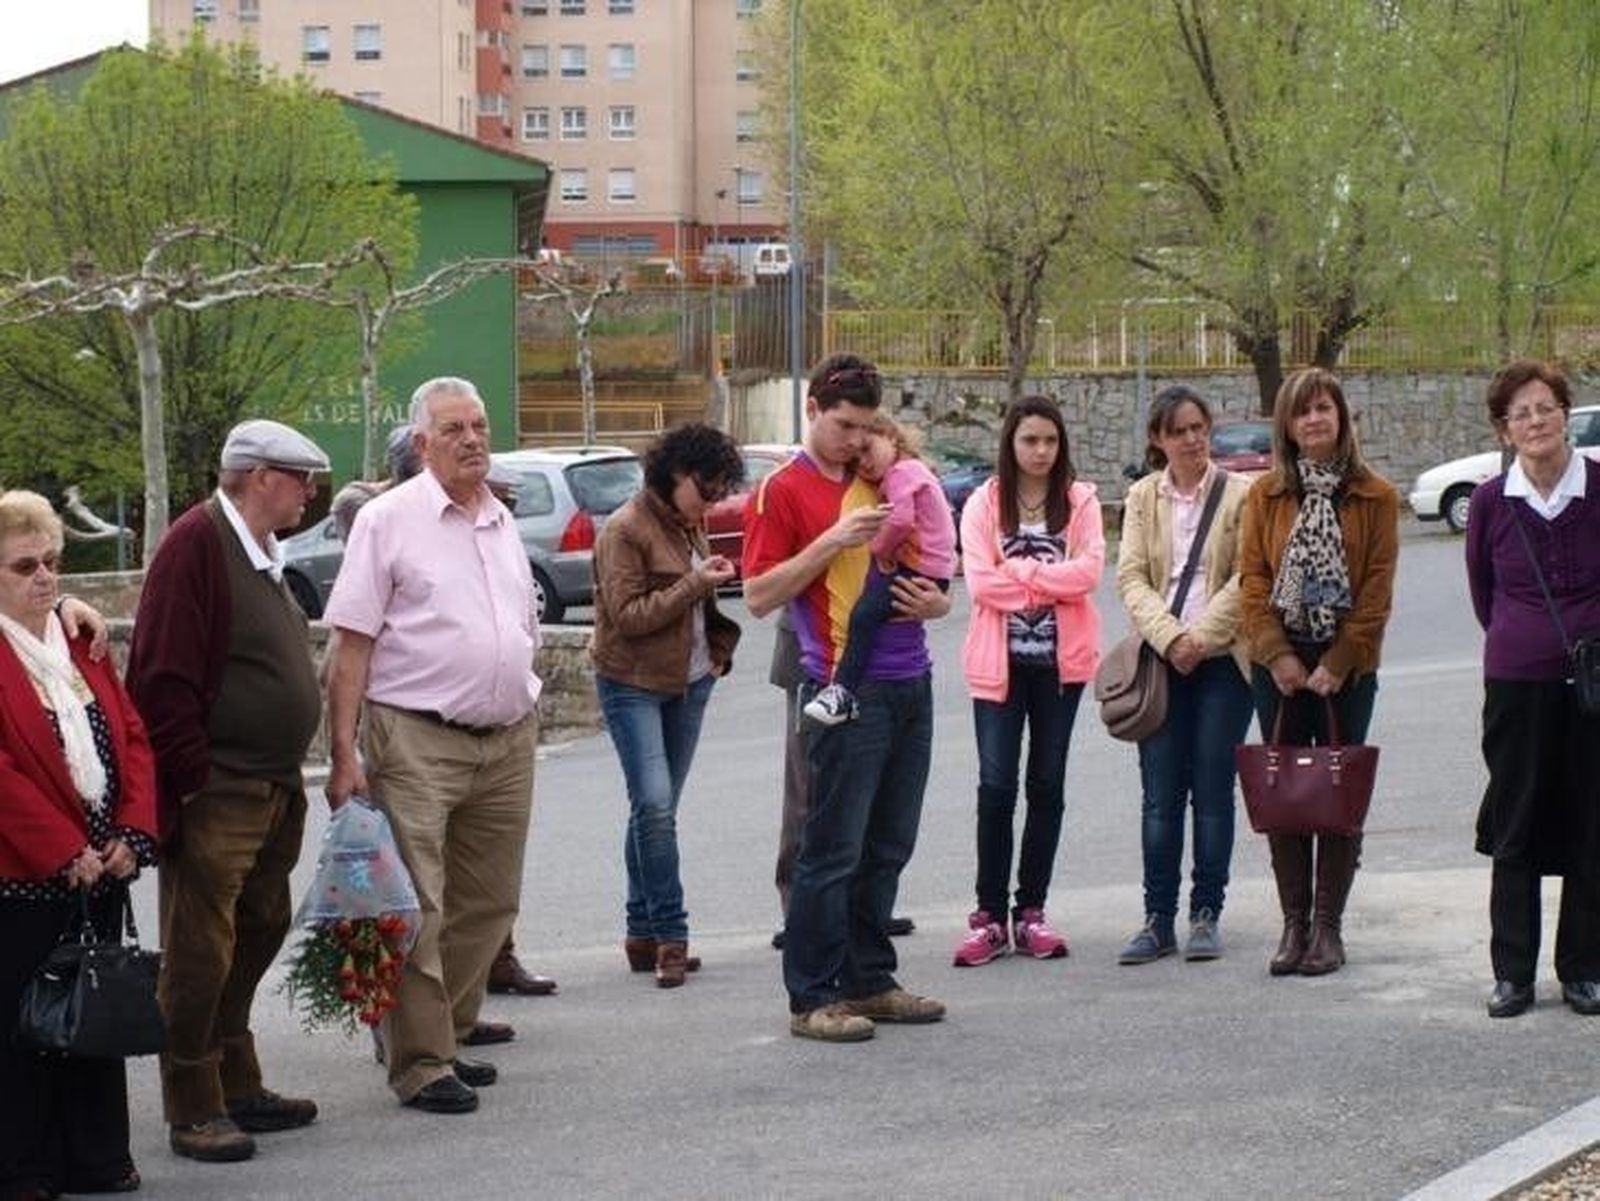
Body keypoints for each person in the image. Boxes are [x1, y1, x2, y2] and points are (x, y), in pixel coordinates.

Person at [324, 377, 541, 1115]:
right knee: (417, 904)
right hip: (415, 734)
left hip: (506, 737)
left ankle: (445, 1030)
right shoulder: (386, 521)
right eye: (453, 429)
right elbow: (350, 645)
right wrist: (344, 752)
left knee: (490, 901)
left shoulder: (499, 518)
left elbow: (519, 623)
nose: (472, 439)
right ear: (421, 444)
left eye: (479, 425)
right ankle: (420, 1062)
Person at [125, 420, 329, 1164]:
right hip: (220, 788)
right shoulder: (197, 545)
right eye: (299, 478)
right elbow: (160, 678)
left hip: (270, 783)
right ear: (259, 477)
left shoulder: (263, 551)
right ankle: (193, 1103)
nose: (310, 492)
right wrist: (193, 782)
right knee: (199, 951)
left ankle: (237, 1078)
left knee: (261, 926)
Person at [743, 352, 951, 1043]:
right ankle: (813, 994)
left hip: (911, 678)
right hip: (842, 686)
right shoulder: (782, 490)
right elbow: (758, 594)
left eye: (866, 427)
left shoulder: (882, 472)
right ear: (811, 410)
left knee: (888, 843)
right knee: (830, 849)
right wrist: (830, 542)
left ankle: (870, 978)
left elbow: (929, 558)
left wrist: (938, 602)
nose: (856, 441)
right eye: (843, 426)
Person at [0, 491, 156, 1199]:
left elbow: (132, 736)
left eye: (52, 562)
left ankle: (97, 1155)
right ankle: (22, 1165)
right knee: (23, 1024)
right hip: (25, 873)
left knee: (95, 1011)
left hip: (101, 868)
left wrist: (133, 832)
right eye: (24, 565)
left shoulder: (80, 643)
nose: (44, 576)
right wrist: (64, 849)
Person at [1238, 367, 1398, 977]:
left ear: (1341, 417)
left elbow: (1377, 591)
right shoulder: (1265, 495)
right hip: (1276, 665)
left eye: (1323, 408)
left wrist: (1338, 661)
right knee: (1283, 788)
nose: (1313, 419)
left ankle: (1328, 927)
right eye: (1302, 411)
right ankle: (1293, 925)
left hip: (1346, 668)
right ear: (1287, 424)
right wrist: (1277, 654)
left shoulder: (1376, 496)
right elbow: (1252, 581)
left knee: (1337, 788)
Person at [1465, 360, 1600, 1019]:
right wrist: (1525, 639)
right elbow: (1483, 594)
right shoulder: (1491, 501)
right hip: (1516, 685)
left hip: (1594, 687)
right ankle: (1512, 973)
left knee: (1593, 824)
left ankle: (1584, 968)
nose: (1536, 420)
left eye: (1546, 407)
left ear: (1565, 414)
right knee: (1514, 823)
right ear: (1504, 429)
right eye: (1521, 413)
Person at [591, 423, 744, 987]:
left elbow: (694, 610)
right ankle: (671, 936)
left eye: (720, 491)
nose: (712, 501)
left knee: (655, 812)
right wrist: (696, 583)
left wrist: (717, 654)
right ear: (675, 473)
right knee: (654, 808)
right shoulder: (625, 529)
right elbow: (629, 616)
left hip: (690, 681)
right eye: (706, 488)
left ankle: (641, 933)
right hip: (632, 683)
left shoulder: (687, 522)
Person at [953, 396, 1103, 967]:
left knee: (1046, 785)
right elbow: (980, 584)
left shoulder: (1080, 501)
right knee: (996, 787)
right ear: (1010, 443)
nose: (1041, 451)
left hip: (1060, 669)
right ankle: (990, 916)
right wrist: (1047, 580)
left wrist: (1020, 571)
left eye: (1050, 441)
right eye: (1030, 440)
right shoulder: (983, 504)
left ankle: (1031, 911)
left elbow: (1089, 573)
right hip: (1000, 667)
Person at [1113, 387, 1255, 965]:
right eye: (1179, 431)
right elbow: (1130, 578)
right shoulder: (1142, 497)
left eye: (1199, 427)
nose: (1193, 439)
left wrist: (1202, 638)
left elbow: (1249, 576)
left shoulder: (1242, 494)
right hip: (1162, 663)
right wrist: (1172, 639)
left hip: (1224, 663)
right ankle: (1157, 919)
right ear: (1158, 439)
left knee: (1214, 790)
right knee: (1160, 795)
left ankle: (1206, 913)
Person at [804, 414, 956, 726]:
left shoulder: (901, 473)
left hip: (922, 572)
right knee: (871, 614)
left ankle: (842, 692)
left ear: (890, 436)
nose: (863, 462)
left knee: (863, 615)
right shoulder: (916, 470)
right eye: (855, 460)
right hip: (932, 572)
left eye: (867, 449)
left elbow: (900, 521)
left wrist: (878, 549)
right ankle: (843, 692)